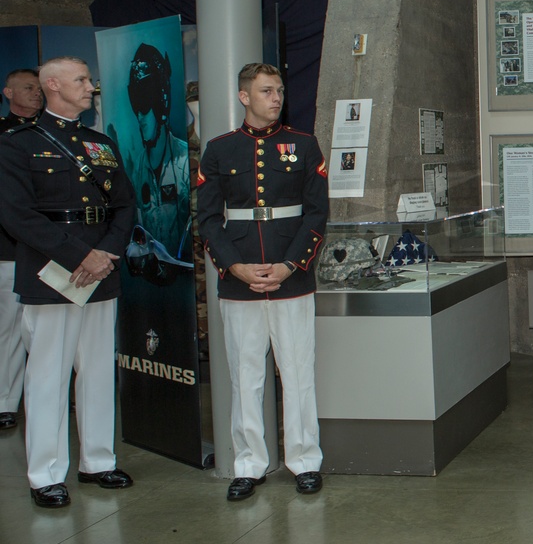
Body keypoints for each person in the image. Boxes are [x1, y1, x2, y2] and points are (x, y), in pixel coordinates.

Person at [0, 56, 135, 508]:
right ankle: (46, 474)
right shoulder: (17, 144)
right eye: (81, 80)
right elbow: (16, 214)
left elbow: (125, 205)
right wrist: (81, 255)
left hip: (101, 271)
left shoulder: (100, 143)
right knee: (48, 375)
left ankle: (98, 460)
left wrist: (106, 253)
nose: (90, 87)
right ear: (53, 85)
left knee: (97, 370)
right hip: (52, 271)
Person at [196, 63, 329, 501]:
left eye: (279, 91)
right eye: (266, 91)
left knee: (297, 374)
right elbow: (208, 220)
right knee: (245, 376)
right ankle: (249, 464)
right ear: (243, 96)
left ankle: (305, 460)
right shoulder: (218, 150)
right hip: (240, 280)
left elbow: (316, 214)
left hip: (291, 278)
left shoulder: (304, 146)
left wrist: (292, 265)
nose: (276, 98)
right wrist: (233, 267)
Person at [0, 69, 43, 429]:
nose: (36, 94)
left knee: (50, 330)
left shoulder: (53, 135)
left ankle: (55, 396)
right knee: (11, 327)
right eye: (28, 88)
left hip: (55, 249)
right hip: (9, 247)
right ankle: (6, 401)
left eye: (39, 88)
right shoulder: (4, 135)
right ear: (8, 91)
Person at [122, 43, 191, 260]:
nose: (140, 117)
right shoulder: (137, 169)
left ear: (161, 103)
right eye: (136, 105)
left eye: (145, 103)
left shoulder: (185, 160)